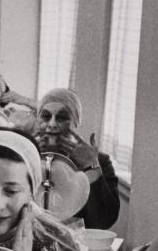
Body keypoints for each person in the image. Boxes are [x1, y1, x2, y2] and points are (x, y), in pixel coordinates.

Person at [34, 88, 120, 229]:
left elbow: (103, 221)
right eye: (46, 116)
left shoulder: (100, 162)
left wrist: (91, 166)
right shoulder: (23, 155)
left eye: (61, 118)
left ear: (76, 122)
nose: (52, 124)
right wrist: (27, 155)